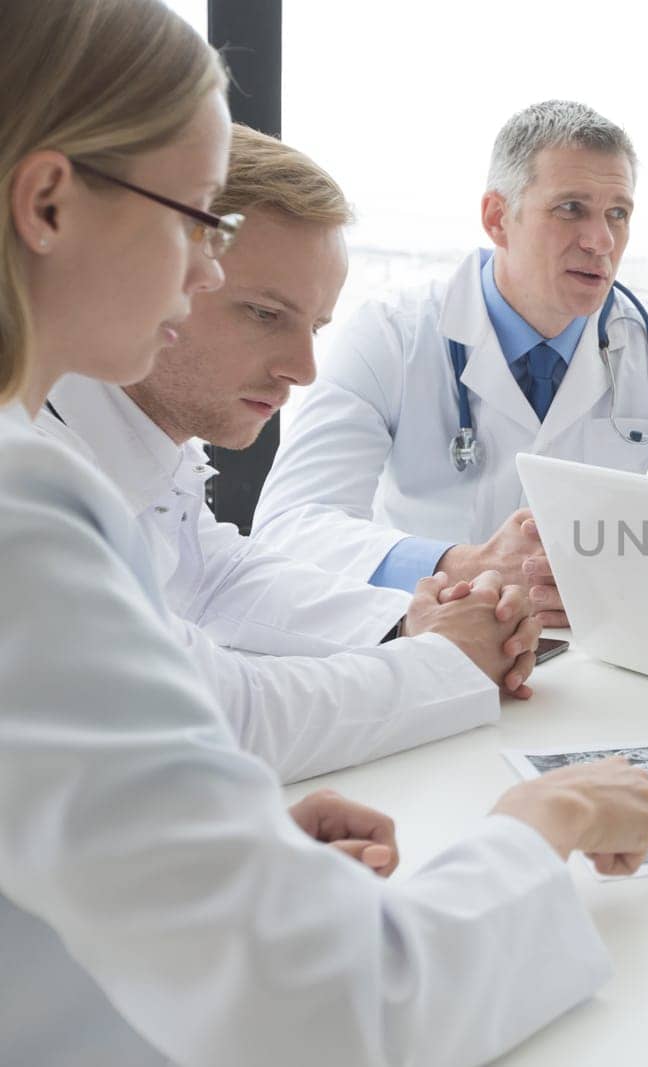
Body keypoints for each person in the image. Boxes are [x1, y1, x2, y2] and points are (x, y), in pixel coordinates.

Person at [0, 4, 648, 1063]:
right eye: (193, 224)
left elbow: (205, 591)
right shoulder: (22, 512)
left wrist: (225, 842)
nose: (204, 273)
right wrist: (540, 824)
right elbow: (333, 1007)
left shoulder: (61, 477)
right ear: (45, 202)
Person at [36, 124, 535, 784]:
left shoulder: (131, 439)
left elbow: (209, 572)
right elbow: (216, 717)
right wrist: (446, 661)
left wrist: (408, 621)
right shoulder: (38, 475)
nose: (304, 369)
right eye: (265, 313)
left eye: (316, 326)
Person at [252, 99, 648, 627]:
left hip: (600, 653)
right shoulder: (393, 336)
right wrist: (463, 564)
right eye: (571, 208)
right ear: (497, 218)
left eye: (617, 213)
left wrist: (631, 574)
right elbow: (290, 528)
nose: (601, 241)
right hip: (430, 641)